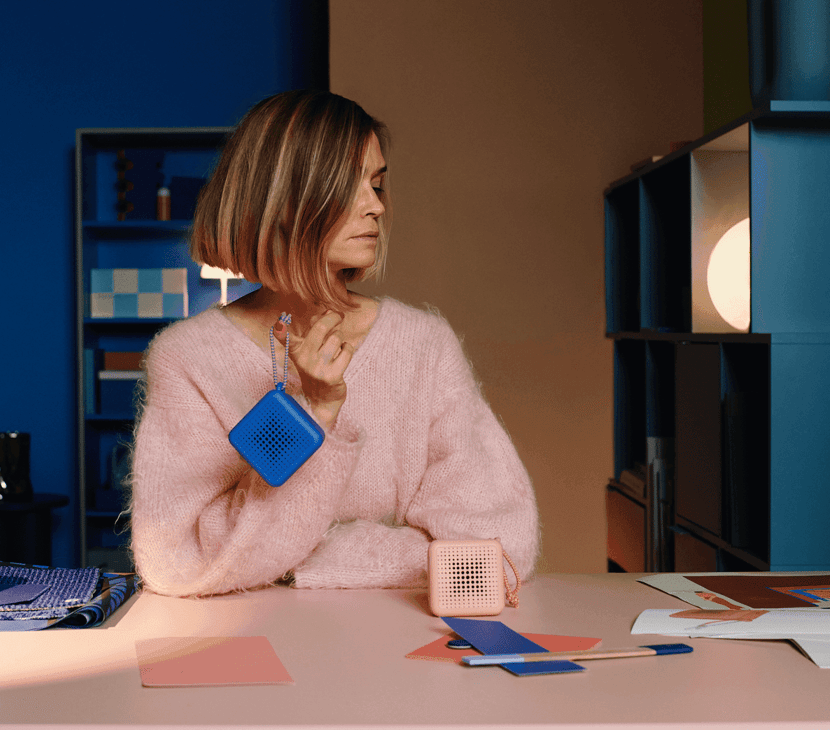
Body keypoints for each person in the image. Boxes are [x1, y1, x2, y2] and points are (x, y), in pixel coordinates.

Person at [128, 90, 540, 597]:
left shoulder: (423, 346)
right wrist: (314, 411)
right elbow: (177, 559)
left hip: (400, 647)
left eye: (378, 184)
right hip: (248, 643)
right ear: (280, 200)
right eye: (352, 185)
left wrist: (292, 564)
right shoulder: (188, 359)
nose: (376, 207)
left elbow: (497, 548)